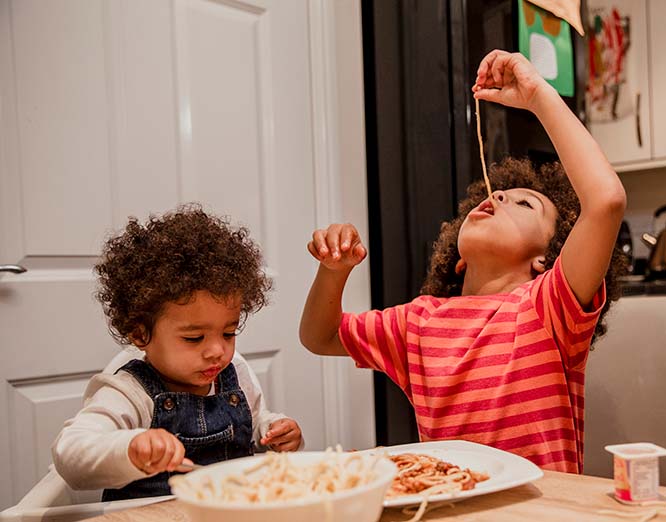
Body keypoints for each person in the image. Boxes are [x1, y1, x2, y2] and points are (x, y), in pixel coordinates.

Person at [299, 50, 627, 474]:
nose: (500, 195)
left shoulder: (549, 309)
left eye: (525, 204)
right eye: (499, 194)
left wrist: (536, 95)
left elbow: (606, 201)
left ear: (548, 259)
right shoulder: (416, 324)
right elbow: (318, 336)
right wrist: (333, 271)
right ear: (458, 261)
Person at [52, 205, 303, 501]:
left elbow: (255, 424)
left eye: (228, 333)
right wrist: (130, 448)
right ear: (139, 333)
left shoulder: (236, 374)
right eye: (194, 338)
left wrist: (273, 431)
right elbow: (72, 454)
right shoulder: (128, 393)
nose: (217, 351)